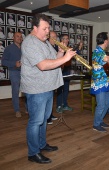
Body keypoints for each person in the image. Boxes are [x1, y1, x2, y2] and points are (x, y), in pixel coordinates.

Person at [20, 14, 76, 164]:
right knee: (35, 121)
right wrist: (65, 58)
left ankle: (41, 144)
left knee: (44, 119)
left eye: (48, 28)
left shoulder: (44, 42)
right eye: (44, 28)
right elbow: (43, 65)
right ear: (35, 28)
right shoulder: (30, 42)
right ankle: (33, 153)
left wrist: (60, 52)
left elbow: (54, 59)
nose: (47, 32)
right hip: (36, 88)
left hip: (48, 86)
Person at [90, 32, 109, 132]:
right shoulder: (97, 51)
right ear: (105, 41)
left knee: (107, 103)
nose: (108, 42)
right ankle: (96, 125)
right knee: (101, 105)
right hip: (99, 83)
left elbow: (106, 63)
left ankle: (100, 120)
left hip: (105, 83)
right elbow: (105, 59)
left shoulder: (102, 51)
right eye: (108, 40)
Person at [2, 32, 23, 118]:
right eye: (17, 36)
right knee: (15, 91)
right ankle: (17, 110)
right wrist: (14, 63)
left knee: (27, 90)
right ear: (13, 38)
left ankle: (28, 108)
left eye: (21, 37)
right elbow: (3, 61)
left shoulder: (24, 48)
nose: (19, 38)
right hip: (14, 72)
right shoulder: (8, 48)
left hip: (25, 73)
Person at [56, 34, 76, 113]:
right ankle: (59, 105)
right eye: (64, 39)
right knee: (60, 89)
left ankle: (65, 104)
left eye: (67, 39)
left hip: (67, 70)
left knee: (66, 89)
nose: (66, 40)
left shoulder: (69, 49)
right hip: (60, 71)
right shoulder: (58, 48)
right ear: (61, 40)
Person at [47, 31, 59, 125]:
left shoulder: (53, 47)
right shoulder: (47, 47)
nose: (55, 39)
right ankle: (47, 117)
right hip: (48, 77)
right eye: (53, 37)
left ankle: (50, 114)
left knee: (51, 97)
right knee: (47, 98)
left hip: (53, 76)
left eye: (56, 37)